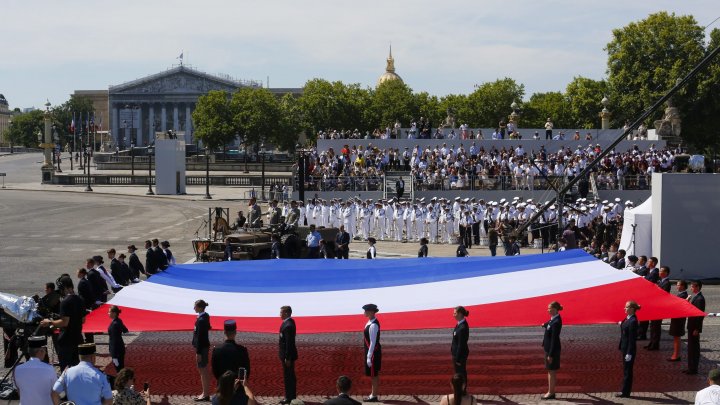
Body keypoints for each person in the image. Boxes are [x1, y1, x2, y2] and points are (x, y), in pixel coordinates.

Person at [40, 275, 84, 371]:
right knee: (76, 367)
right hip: (78, 338)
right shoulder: (80, 300)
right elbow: (83, 320)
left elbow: (64, 322)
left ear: (63, 288)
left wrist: (49, 322)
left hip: (66, 340)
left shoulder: (65, 302)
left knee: (66, 369)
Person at [12, 336, 57, 405]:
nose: (46, 353)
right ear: (41, 351)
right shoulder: (49, 369)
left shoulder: (17, 369)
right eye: (45, 350)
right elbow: (54, 391)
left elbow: (19, 391)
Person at [617, 300, 640, 398]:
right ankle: (625, 391)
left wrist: (629, 353)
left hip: (628, 350)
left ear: (632, 309)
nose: (624, 308)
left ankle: (625, 392)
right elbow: (624, 325)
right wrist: (621, 324)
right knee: (626, 370)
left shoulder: (633, 321)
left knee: (627, 371)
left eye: (626, 307)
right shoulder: (628, 318)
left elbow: (632, 338)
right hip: (624, 348)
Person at [646, 265, 671, 351]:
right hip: (655, 307)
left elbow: (663, 294)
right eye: (660, 271)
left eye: (662, 271)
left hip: (659, 308)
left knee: (656, 326)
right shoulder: (660, 281)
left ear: (666, 273)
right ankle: (652, 342)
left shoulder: (667, 283)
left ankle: (655, 344)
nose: (660, 272)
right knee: (653, 326)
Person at [541, 301, 563, 400]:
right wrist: (544, 325)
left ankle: (551, 392)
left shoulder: (556, 322)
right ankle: (551, 391)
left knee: (551, 372)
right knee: (550, 371)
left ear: (554, 309)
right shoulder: (553, 320)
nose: (547, 310)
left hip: (552, 351)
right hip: (549, 349)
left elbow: (554, 339)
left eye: (549, 308)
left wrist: (550, 354)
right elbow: (548, 324)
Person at [193, 299, 212, 401]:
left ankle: (205, 394)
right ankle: (205, 393)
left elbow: (200, 337)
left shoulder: (201, 320)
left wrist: (198, 352)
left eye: (195, 306)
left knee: (203, 371)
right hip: (204, 347)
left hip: (202, 348)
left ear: (200, 307)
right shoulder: (205, 316)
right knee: (203, 370)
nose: (194, 308)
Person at [685, 281, 706, 375]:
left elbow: (700, 316)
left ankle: (693, 368)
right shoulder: (696, 297)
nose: (691, 288)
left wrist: (697, 329)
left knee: (694, 348)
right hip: (691, 326)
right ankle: (690, 367)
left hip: (694, 328)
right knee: (691, 348)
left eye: (692, 287)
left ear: (697, 287)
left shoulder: (700, 299)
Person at [362, 303, 381, 402]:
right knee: (372, 374)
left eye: (366, 310)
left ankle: (374, 395)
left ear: (371, 312)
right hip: (370, 351)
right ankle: (373, 394)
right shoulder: (370, 322)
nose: (364, 312)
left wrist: (369, 357)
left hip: (373, 352)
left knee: (374, 375)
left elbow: (373, 342)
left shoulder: (373, 325)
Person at [279, 306, 298, 404]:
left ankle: (289, 397)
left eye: (281, 312)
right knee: (290, 376)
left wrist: (287, 358)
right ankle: (291, 396)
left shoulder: (288, 325)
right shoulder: (290, 322)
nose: (279, 314)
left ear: (286, 313)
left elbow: (289, 344)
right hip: (288, 356)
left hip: (288, 357)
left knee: (288, 377)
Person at [668, 280, 688, 362]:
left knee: (677, 337)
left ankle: (676, 355)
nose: (677, 286)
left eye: (679, 285)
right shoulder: (681, 294)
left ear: (683, 286)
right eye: (677, 285)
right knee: (676, 337)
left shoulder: (683, 295)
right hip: (677, 318)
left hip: (678, 319)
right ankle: (675, 354)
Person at [451, 306, 469, 381]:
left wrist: (457, 359)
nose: (453, 315)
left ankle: (463, 391)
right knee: (459, 373)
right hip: (458, 354)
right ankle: (461, 390)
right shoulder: (460, 324)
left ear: (460, 314)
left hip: (460, 356)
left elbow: (461, 345)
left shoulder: (462, 327)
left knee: (461, 373)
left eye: (455, 313)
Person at [108, 305, 129, 372]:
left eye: (109, 312)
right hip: (120, 348)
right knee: (121, 367)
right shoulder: (118, 320)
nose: (108, 313)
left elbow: (114, 340)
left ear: (114, 313)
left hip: (116, 351)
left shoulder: (114, 324)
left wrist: (113, 355)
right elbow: (125, 330)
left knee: (118, 369)